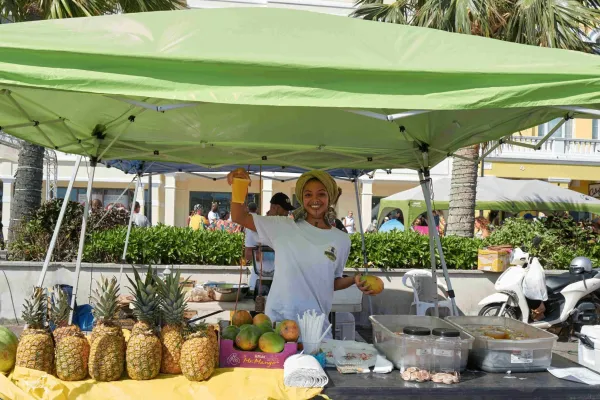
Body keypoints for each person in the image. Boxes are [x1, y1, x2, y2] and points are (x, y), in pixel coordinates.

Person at [228, 168, 376, 336]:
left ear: (330, 198)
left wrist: (353, 280)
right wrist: (239, 185)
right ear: (301, 198)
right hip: (278, 324)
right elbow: (239, 216)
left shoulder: (341, 240)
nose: (315, 200)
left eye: (321, 194)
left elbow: (331, 281)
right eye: (308, 195)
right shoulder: (282, 227)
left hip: (315, 327)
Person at [245, 194, 294, 294]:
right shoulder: (257, 225)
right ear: (274, 208)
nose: (287, 214)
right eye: (285, 210)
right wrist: (263, 251)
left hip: (280, 282)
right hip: (260, 281)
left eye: (288, 211)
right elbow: (247, 255)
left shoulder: (286, 226)